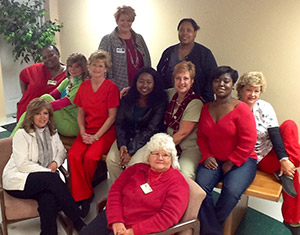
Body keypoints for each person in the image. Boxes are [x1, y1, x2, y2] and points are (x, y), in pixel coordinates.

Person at [2, 98, 86, 235]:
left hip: (42, 180)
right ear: (31, 115)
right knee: (52, 180)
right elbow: (22, 165)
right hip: (18, 179)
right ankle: (77, 219)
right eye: (38, 113)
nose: (42, 117)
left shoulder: (51, 131)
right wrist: (48, 171)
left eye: (45, 113)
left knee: (48, 199)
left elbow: (61, 151)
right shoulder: (22, 134)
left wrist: (55, 163)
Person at [79, 133, 189, 235]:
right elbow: (115, 191)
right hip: (115, 216)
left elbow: (168, 217)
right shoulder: (136, 169)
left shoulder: (178, 183)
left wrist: (133, 231)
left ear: (172, 158)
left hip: (145, 230)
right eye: (155, 153)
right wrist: (116, 220)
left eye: (165, 155)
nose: (160, 158)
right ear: (148, 155)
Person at [236, 71, 300, 235]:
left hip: (268, 151)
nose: (253, 94)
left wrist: (284, 159)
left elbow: (275, 134)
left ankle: (292, 220)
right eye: (249, 90)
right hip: (250, 157)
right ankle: (292, 220)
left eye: (257, 90)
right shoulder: (234, 108)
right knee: (293, 174)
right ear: (241, 90)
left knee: (289, 125)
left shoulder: (264, 107)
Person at [196, 66, 257, 234]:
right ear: (212, 84)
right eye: (217, 80)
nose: (221, 84)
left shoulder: (241, 108)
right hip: (214, 158)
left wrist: (232, 161)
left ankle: (207, 228)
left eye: (226, 81)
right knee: (200, 188)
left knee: (230, 191)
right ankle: (213, 231)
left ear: (232, 84)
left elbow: (249, 141)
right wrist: (207, 155)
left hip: (243, 160)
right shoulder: (205, 108)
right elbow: (201, 137)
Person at [68, 50, 120, 218]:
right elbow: (81, 112)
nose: (97, 68)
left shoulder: (111, 87)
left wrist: (96, 136)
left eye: (101, 66)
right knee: (73, 156)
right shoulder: (83, 86)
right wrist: (82, 131)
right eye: (94, 65)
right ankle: (85, 193)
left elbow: (112, 117)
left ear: (106, 69)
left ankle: (80, 196)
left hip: (104, 132)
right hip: (86, 130)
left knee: (90, 157)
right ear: (88, 67)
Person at [106, 67, 168, 182]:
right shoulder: (127, 97)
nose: (144, 85)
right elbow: (120, 123)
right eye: (141, 81)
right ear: (135, 82)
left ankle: (132, 195)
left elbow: (151, 130)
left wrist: (130, 150)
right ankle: (118, 192)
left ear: (155, 83)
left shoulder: (160, 101)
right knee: (112, 161)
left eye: (149, 82)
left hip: (147, 139)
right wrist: (123, 145)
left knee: (133, 164)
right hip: (127, 136)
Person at [12, 53, 88, 137]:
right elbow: (53, 94)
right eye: (70, 66)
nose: (72, 69)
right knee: (45, 98)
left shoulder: (82, 84)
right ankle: (17, 137)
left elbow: (62, 103)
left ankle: (13, 139)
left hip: (73, 124)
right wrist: (37, 105)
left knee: (33, 111)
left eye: (77, 66)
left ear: (83, 68)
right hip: (64, 115)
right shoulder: (68, 80)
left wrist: (37, 107)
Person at [157, 18, 217, 103]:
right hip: (170, 101)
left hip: (198, 102)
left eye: (188, 30)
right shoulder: (169, 52)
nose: (184, 33)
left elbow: (212, 78)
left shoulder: (204, 54)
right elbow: (159, 74)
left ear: (195, 32)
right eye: (181, 30)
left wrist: (205, 101)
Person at [165, 61, 203, 180]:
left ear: (192, 81)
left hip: (188, 148)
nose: (182, 82)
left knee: (182, 177)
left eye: (186, 78)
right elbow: (150, 93)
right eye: (178, 78)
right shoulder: (169, 94)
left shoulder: (196, 102)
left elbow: (182, 133)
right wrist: (131, 89)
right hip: (169, 144)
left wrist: (161, 149)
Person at [99, 5, 151, 91]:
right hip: (116, 89)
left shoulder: (139, 39)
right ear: (117, 21)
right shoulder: (107, 40)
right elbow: (100, 66)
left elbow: (147, 62)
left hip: (140, 88)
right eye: (122, 20)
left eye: (129, 20)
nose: (126, 23)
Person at [17, 45, 66, 121]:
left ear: (58, 54)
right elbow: (22, 76)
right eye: (44, 57)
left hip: (47, 116)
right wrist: (24, 93)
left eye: (51, 55)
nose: (48, 59)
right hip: (26, 111)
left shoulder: (69, 74)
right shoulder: (36, 69)